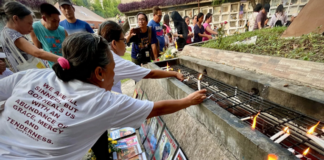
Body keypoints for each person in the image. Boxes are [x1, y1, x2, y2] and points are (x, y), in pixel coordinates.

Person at [0, 32, 207, 159]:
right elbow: (156, 108)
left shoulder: (33, 76)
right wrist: (190, 100)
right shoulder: (103, 102)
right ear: (99, 73)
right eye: (113, 68)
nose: (115, 74)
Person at [94, 21, 185, 159]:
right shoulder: (114, 61)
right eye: (123, 40)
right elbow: (155, 106)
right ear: (113, 43)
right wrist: (188, 99)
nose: (126, 44)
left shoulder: (97, 55)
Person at [0, 1, 60, 72]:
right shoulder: (12, 34)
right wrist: (61, 59)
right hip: (32, 76)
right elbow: (37, 53)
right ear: (16, 19)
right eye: (29, 23)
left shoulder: (4, 33)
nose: (31, 28)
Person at [30, 3, 68, 68]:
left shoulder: (62, 31)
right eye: (54, 21)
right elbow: (38, 50)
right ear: (44, 18)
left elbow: (70, 49)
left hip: (66, 63)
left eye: (58, 21)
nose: (57, 24)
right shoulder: (35, 28)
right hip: (51, 67)